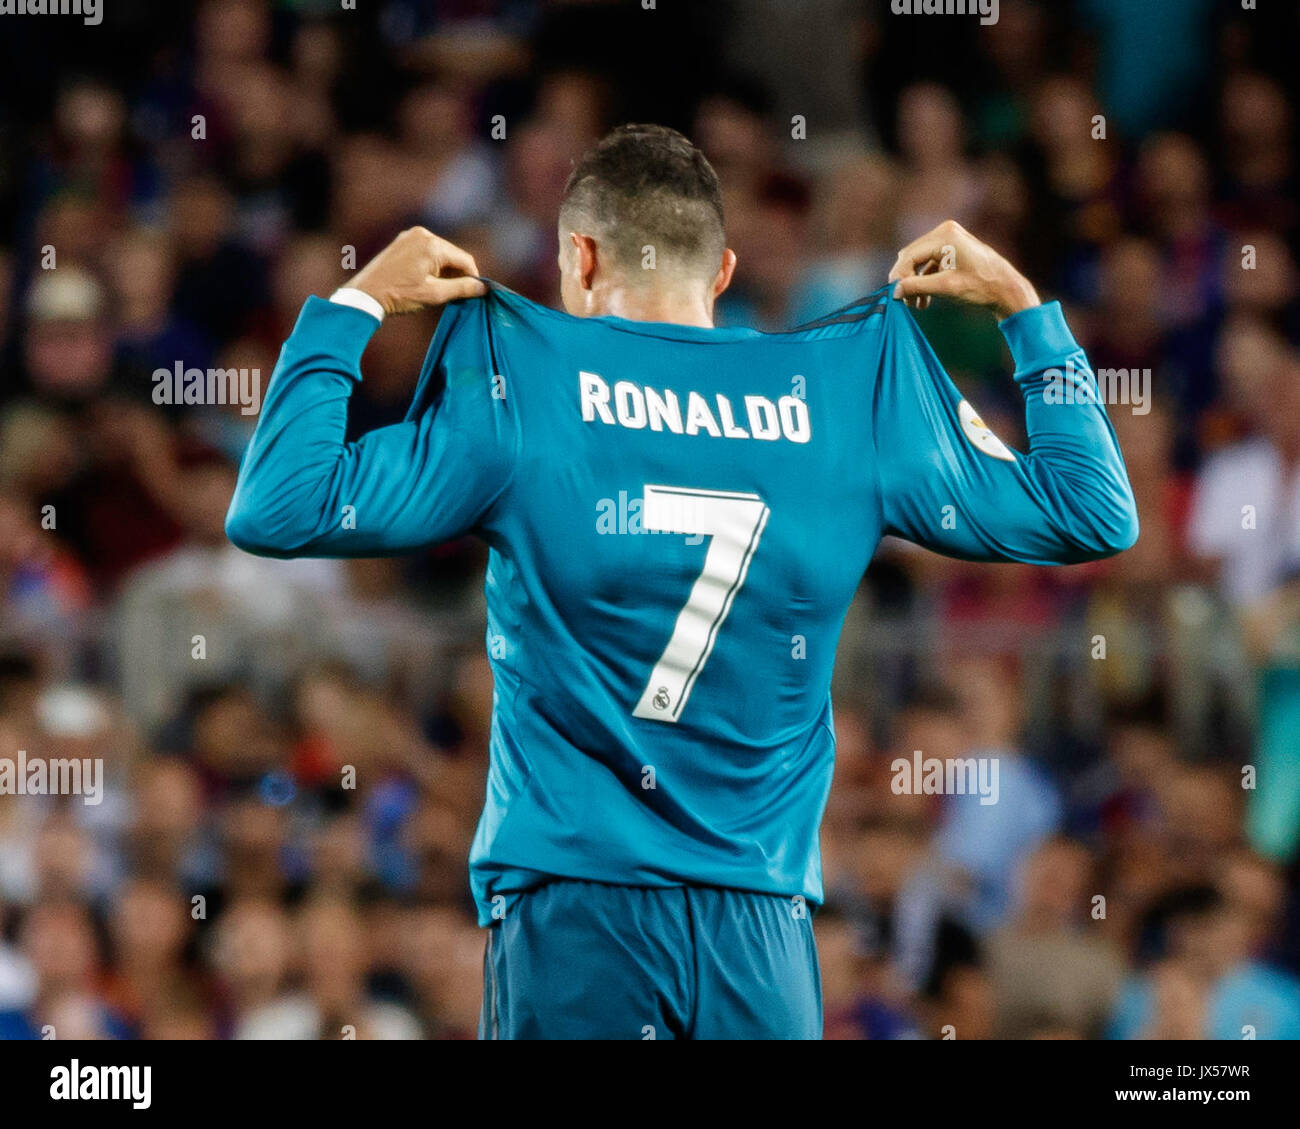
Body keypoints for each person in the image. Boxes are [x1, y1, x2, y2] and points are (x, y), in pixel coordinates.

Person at [225, 123, 1138, 1039]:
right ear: (725, 271)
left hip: (576, 909)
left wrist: (356, 304)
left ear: (579, 256)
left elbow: (278, 505)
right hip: (760, 929)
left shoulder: (526, 388)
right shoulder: (844, 392)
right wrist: (1023, 308)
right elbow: (1094, 511)